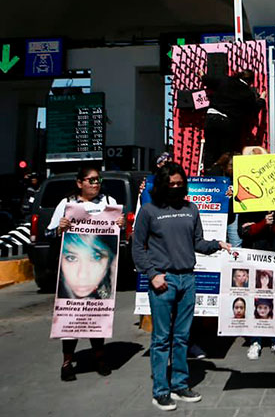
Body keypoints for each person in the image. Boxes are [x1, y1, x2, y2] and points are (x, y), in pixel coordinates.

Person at [132, 161, 230, 411]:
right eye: (170, 183)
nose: (175, 187)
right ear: (162, 184)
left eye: (179, 183)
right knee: (162, 339)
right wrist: (153, 274)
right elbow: (137, 247)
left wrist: (218, 244)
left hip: (188, 279)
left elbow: (198, 242)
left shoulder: (191, 209)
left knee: (182, 337)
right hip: (163, 281)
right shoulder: (149, 210)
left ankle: (179, 384)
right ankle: (160, 391)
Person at [47, 165, 122, 381]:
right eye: (91, 180)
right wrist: (59, 228)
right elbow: (49, 232)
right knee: (70, 318)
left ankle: (100, 358)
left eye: (98, 180)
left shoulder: (109, 203)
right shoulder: (67, 204)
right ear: (80, 183)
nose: (96, 184)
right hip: (69, 272)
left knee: (97, 315)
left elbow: (119, 235)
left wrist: (121, 224)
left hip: (98, 275)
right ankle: (67, 363)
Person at [238, 209, 275, 360]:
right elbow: (242, 232)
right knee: (255, 299)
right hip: (254, 259)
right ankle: (255, 340)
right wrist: (262, 224)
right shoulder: (248, 207)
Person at [202, 69, 265, 172]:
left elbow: (208, 81)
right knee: (225, 153)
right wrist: (262, 99)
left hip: (211, 118)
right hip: (227, 122)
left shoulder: (225, 80)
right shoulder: (247, 93)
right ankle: (222, 178)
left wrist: (202, 74)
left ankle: (210, 177)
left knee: (209, 151)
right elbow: (253, 110)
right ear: (250, 81)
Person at [58, 233, 116, 299]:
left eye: (96, 258)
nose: (83, 275)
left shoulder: (104, 289)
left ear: (110, 260)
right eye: (71, 258)